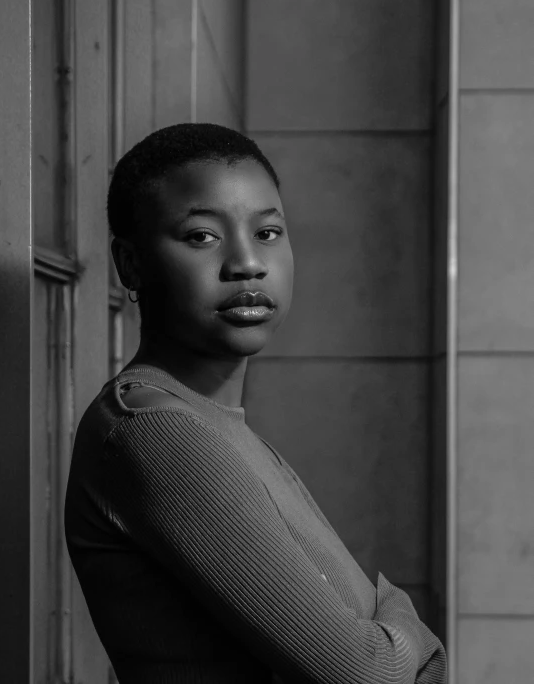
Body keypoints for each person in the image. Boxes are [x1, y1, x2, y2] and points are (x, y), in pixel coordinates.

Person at [64, 123, 447, 684]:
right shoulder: (153, 431)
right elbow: (368, 674)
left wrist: (389, 631)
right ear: (131, 265)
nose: (246, 263)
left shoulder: (213, 424)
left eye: (267, 233)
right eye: (201, 236)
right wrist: (404, 613)